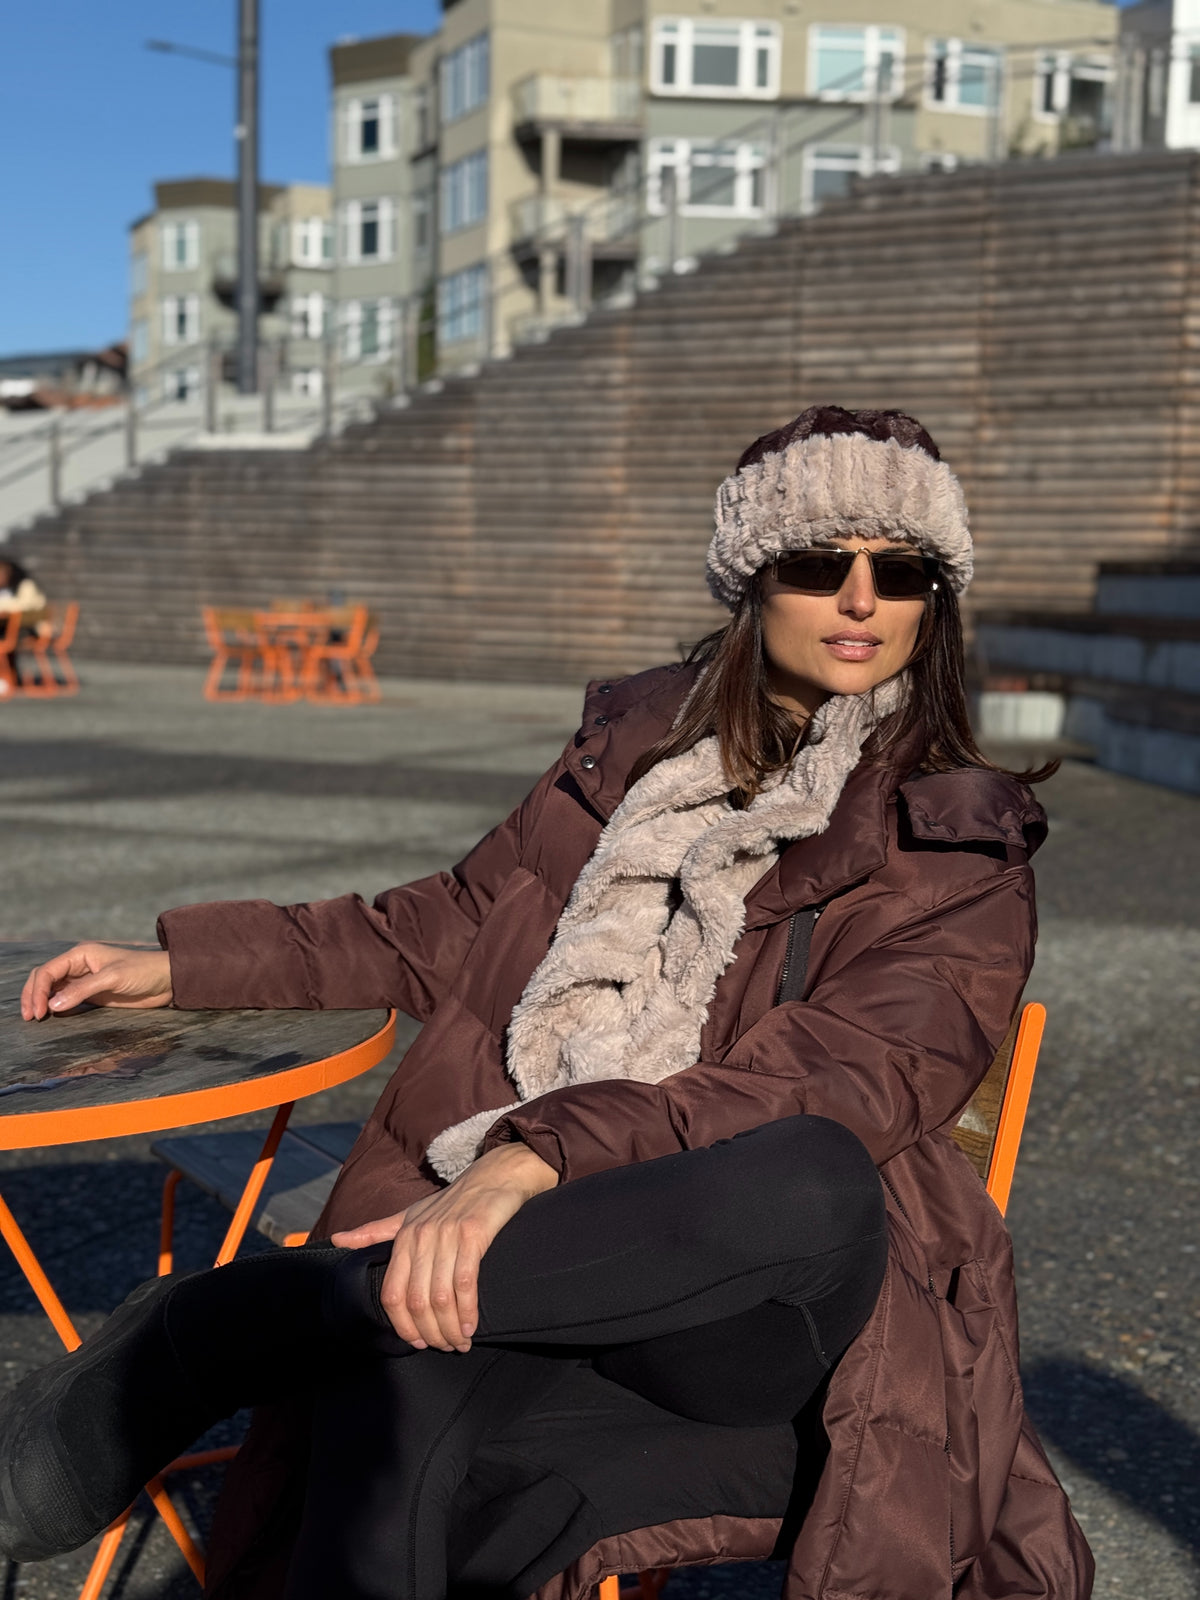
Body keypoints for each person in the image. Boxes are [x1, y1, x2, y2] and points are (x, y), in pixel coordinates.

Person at [8, 407, 1093, 1600]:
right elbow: (440, 926)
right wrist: (179, 962)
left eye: (902, 572)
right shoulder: (627, 764)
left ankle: (252, 1319)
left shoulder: (953, 838)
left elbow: (845, 1073)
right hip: (539, 1276)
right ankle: (332, 1317)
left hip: (750, 1317)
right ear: (752, 581)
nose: (859, 599)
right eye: (816, 561)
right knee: (412, 1365)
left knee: (812, 1175)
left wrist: (529, 1159)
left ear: (934, 602)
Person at [0, 557, 48, 692]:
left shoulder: (26, 585)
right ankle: (7, 677)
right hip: (15, 628)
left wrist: (4, 607)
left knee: (6, 638)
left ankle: (7, 678)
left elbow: (22, 607)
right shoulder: (7, 589)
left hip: (32, 629)